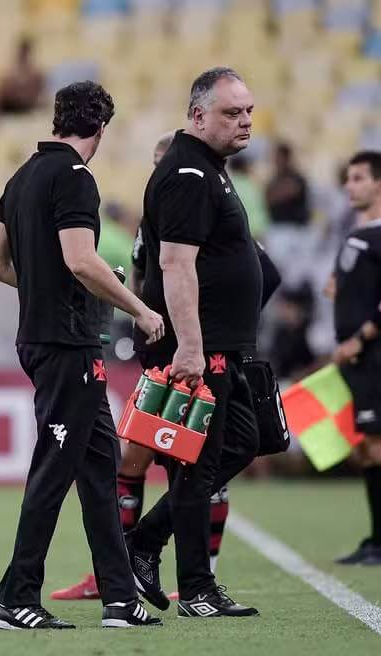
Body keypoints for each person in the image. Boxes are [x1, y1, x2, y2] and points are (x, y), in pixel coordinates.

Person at [52, 132, 282, 603]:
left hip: (205, 345)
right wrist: (152, 323)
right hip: (181, 348)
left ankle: (146, 547)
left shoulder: (202, 200)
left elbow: (256, 271)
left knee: (214, 452)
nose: (161, 177)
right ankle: (183, 578)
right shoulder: (180, 199)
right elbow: (152, 276)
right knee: (175, 459)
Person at [0, 81, 164, 630]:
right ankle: (17, 597)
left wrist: (41, 289)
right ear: (100, 129)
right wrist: (141, 309)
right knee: (52, 471)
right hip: (68, 345)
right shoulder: (77, 178)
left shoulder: (19, 179)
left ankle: (118, 598)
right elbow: (82, 260)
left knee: (99, 469)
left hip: (41, 340)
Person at [127, 67, 262, 618]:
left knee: (240, 444)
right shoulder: (187, 171)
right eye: (233, 113)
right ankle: (197, 589)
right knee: (197, 466)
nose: (246, 122)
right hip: (199, 350)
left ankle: (143, 540)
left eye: (250, 111)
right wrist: (190, 347)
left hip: (218, 345)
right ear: (198, 115)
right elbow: (175, 264)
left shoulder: (208, 168)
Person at [328, 151, 381, 566]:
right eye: (348, 177)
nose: (350, 185)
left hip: (375, 356)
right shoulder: (357, 234)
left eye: (358, 178)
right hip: (355, 358)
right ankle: (379, 539)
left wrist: (359, 338)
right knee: (364, 447)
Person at [265, 142, 310, 227]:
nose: (275, 161)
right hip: (277, 226)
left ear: (286, 158)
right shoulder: (274, 180)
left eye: (278, 157)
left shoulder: (297, 178)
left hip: (295, 228)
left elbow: (287, 191)